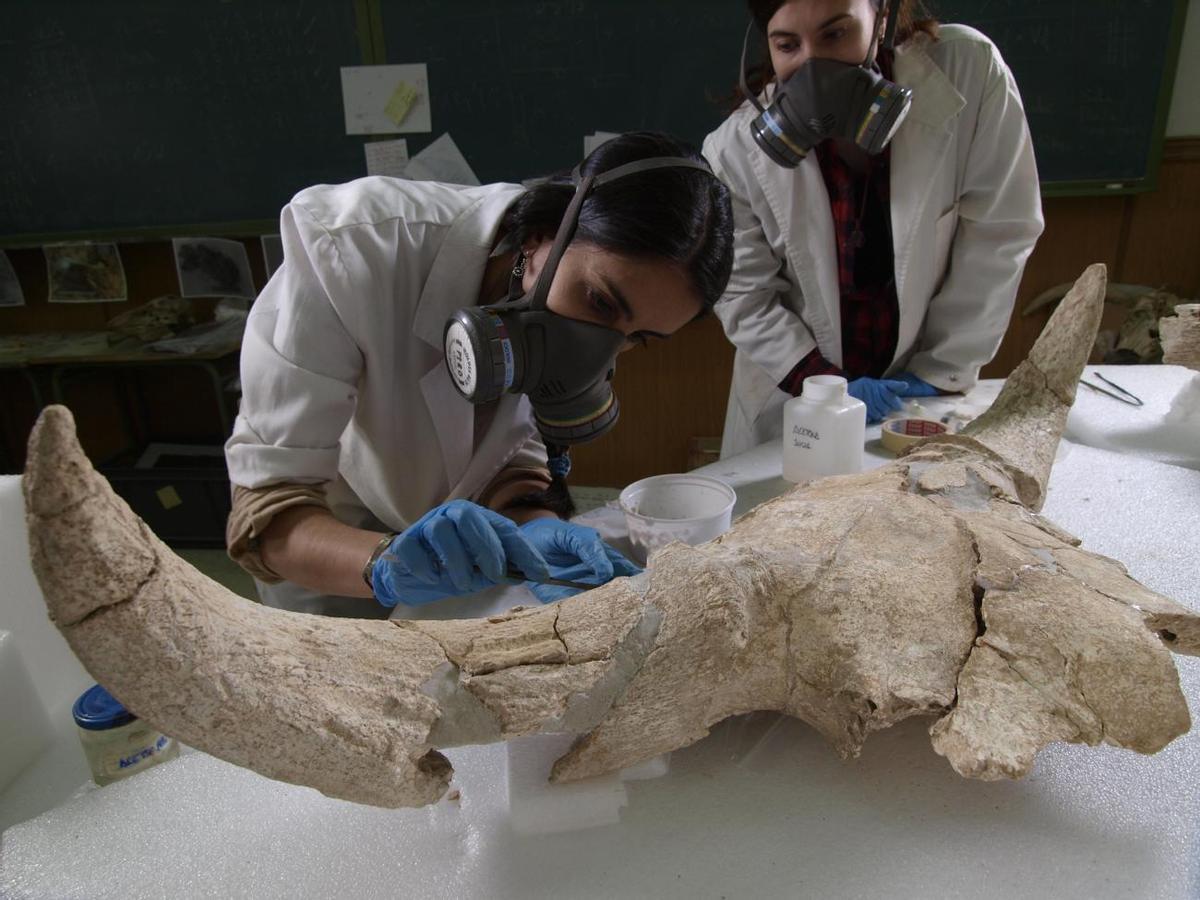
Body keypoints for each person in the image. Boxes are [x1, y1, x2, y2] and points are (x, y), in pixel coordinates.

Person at [223, 132, 734, 618]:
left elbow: (514, 455)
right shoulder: (353, 248)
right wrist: (388, 565)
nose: (597, 354)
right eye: (600, 302)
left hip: (453, 536)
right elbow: (265, 516)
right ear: (541, 237)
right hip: (325, 526)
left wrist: (534, 521)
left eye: (636, 337)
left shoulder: (571, 302)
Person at [703, 0, 1044, 455]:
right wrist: (820, 383)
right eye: (788, 45)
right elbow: (744, 295)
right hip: (798, 398)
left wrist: (940, 367)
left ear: (881, 17)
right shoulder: (734, 150)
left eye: (835, 35)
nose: (812, 65)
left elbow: (999, 233)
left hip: (920, 389)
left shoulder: (970, 72)